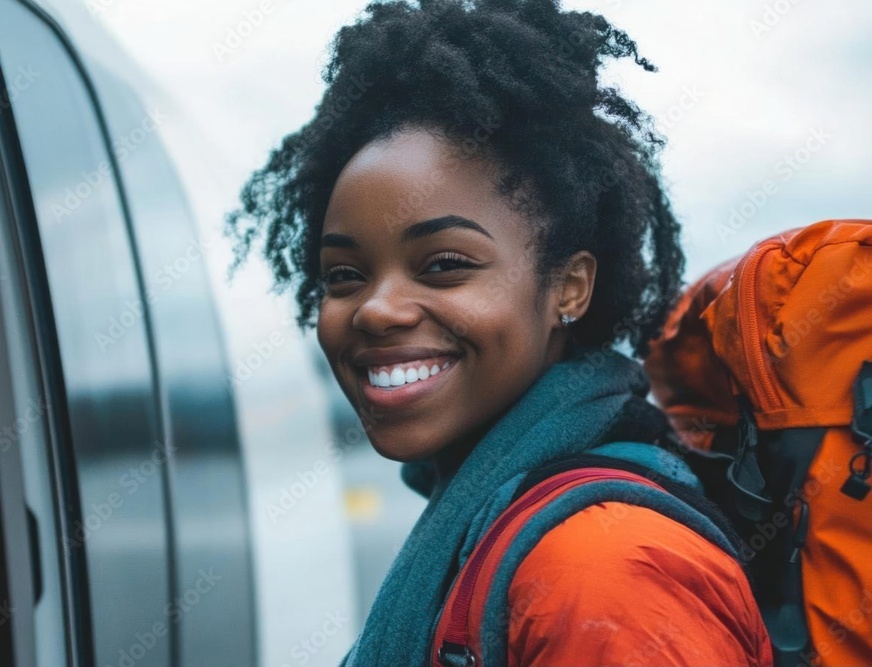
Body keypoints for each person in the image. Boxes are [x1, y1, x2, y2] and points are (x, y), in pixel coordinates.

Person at [227, 1, 772, 664]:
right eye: (344, 275)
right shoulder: (490, 514)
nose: (375, 309)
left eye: (444, 265)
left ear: (567, 287)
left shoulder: (600, 570)